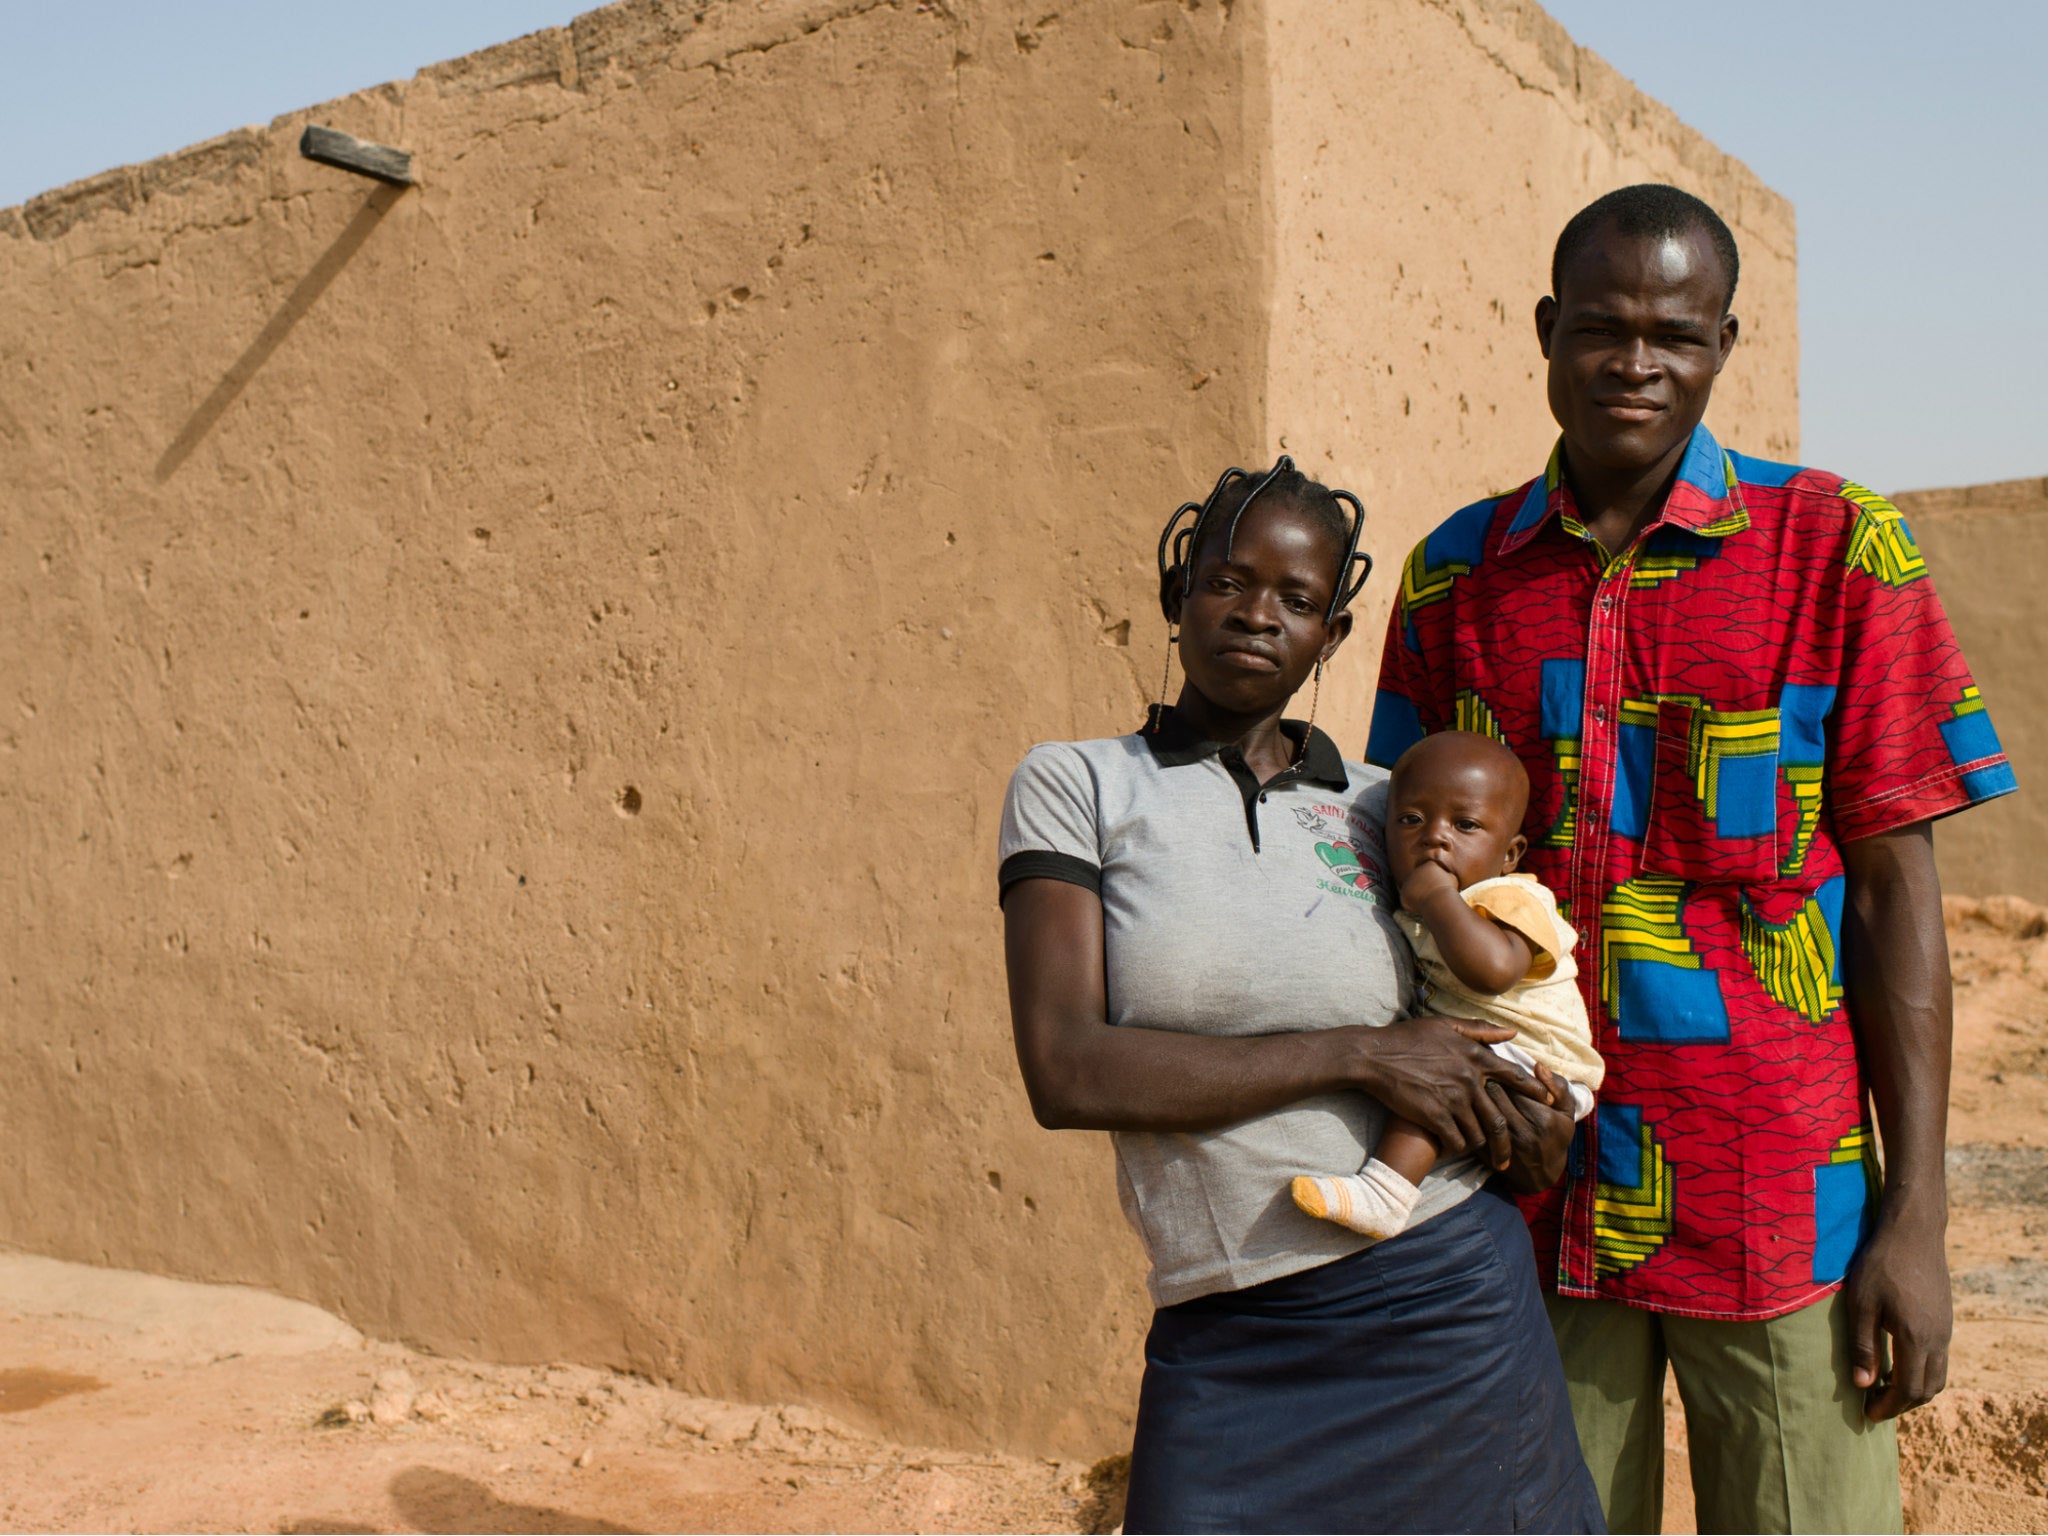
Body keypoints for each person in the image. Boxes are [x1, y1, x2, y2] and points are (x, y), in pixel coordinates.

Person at [1368, 183, 2018, 1534]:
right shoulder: (1454, 577)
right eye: (1602, 327)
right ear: (1547, 332)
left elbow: (1901, 896)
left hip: (1780, 1199)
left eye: (1676, 333)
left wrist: (1919, 1218)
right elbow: (1393, 881)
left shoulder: (1839, 548)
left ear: (1727, 344)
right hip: (1529, 1199)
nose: (1636, 362)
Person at [999, 456, 1603, 1534]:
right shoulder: (1079, 785)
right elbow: (1065, 1066)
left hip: (1444, 1304)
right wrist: (1358, 1055)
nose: (1255, 615)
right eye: (1227, 581)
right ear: (1175, 594)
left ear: (1331, 636)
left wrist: (1532, 1130)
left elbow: (1490, 1003)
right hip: (1231, 1336)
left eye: (1296, 600)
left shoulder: (1393, 807)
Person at [1292, 730, 1602, 1240]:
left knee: (1440, 1080)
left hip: (1541, 1061)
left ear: (1510, 853)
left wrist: (1437, 896)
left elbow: (1492, 971)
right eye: (1411, 820)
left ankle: (1385, 1195)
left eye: (1466, 825)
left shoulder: (1509, 897)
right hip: (1501, 1049)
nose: (1435, 837)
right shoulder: (1418, 902)